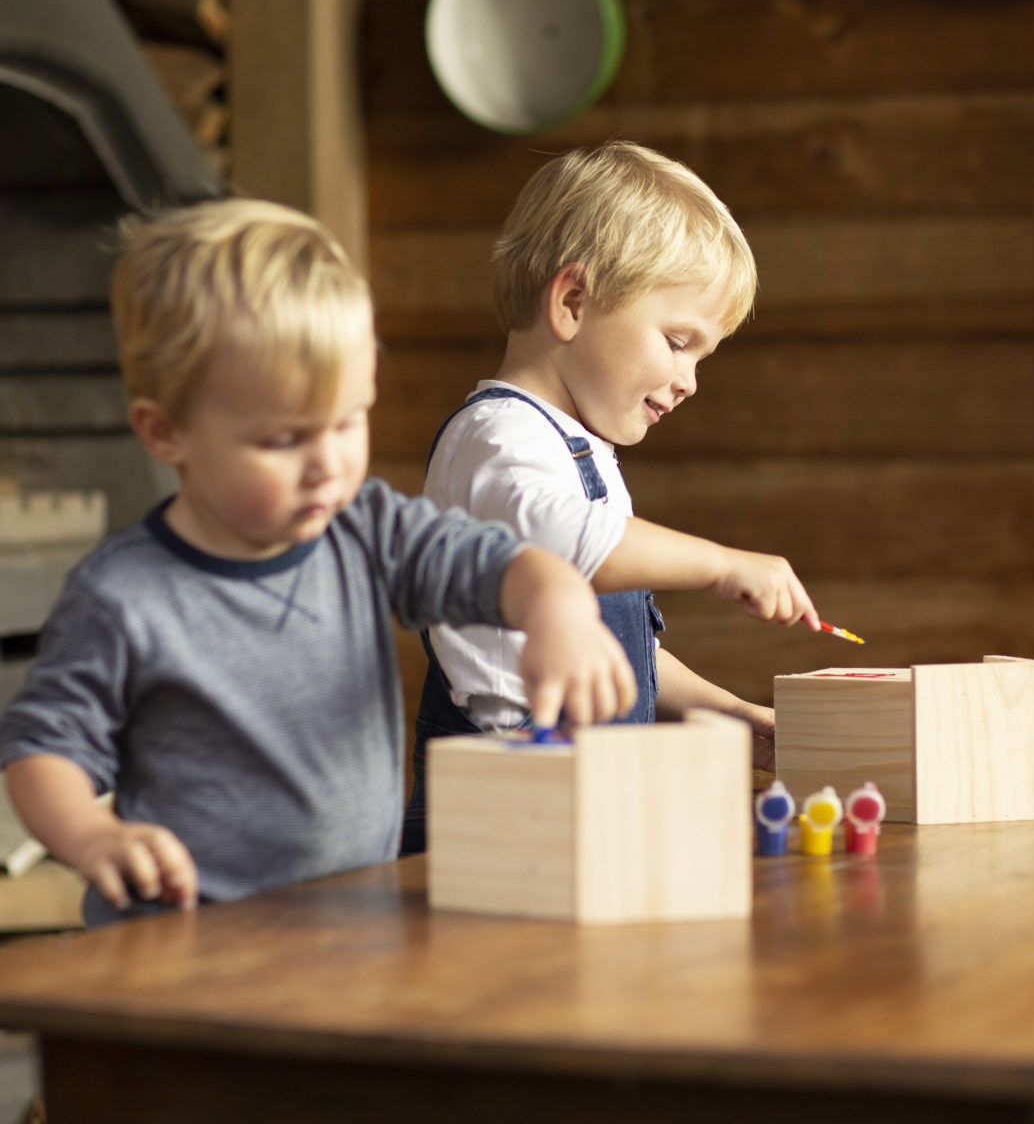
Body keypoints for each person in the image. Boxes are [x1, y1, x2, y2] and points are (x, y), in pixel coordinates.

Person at [0, 198, 636, 925]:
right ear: (165, 431)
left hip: (352, 924)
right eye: (282, 440)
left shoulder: (363, 528)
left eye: (347, 420)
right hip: (188, 945)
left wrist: (559, 611)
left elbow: (501, 565)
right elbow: (41, 753)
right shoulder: (122, 596)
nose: (327, 464)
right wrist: (91, 834)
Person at [402, 141, 821, 854]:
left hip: (578, 795)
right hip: (502, 813)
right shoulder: (498, 438)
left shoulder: (578, 449)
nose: (689, 380)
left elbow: (624, 655)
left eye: (701, 357)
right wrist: (721, 564)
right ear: (572, 302)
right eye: (677, 341)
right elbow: (562, 549)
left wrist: (727, 711)